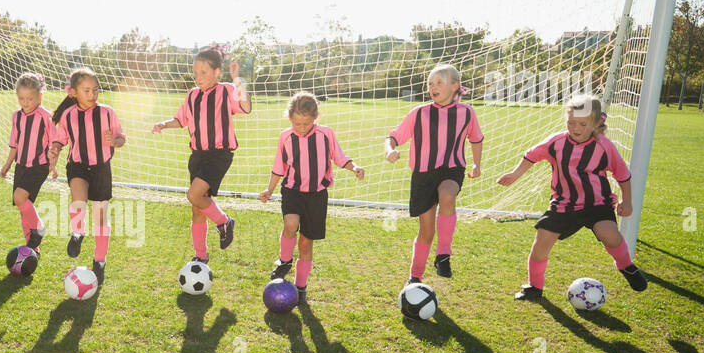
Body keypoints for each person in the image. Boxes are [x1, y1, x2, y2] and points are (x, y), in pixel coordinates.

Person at [497, 93, 648, 300]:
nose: (576, 128)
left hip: (597, 204)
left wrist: (627, 201)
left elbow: (622, 174)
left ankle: (627, 267)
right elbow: (531, 155)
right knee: (541, 242)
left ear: (596, 123)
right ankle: (534, 287)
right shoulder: (557, 142)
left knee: (611, 235)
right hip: (564, 203)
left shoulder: (604, 146)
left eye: (583, 124)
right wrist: (514, 174)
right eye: (571, 123)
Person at [259, 92, 364, 304]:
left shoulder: (326, 134)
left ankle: (301, 287)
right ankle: (285, 261)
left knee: (306, 242)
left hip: (317, 195)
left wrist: (355, 167)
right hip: (292, 190)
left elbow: (339, 157)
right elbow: (280, 166)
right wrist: (269, 190)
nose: (302, 127)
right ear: (290, 118)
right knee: (291, 223)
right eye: (297, 123)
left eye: (307, 123)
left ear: (316, 117)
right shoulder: (285, 137)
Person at [384, 63, 483, 283]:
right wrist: (390, 150)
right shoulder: (419, 113)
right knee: (426, 232)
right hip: (423, 174)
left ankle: (443, 254)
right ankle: (415, 276)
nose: (433, 87)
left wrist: (476, 164)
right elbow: (393, 137)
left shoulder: (466, 112)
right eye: (430, 83)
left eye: (439, 82)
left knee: (448, 196)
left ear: (455, 86)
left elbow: (476, 138)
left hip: (452, 168)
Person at [151, 45, 249, 263]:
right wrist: (164, 124)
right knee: (197, 208)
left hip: (218, 155)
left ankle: (224, 222)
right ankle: (200, 256)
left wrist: (237, 80)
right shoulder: (192, 95)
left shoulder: (225, 91)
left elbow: (246, 107)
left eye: (204, 73)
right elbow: (181, 119)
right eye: (196, 73)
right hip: (197, 156)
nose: (198, 77)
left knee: (194, 195)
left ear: (217, 72)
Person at [46, 68, 125, 288]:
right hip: (78, 165)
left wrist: (115, 141)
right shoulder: (68, 115)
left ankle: (99, 261)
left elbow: (121, 137)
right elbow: (60, 140)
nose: (92, 94)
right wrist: (54, 150)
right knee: (78, 200)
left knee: (100, 218)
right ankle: (78, 232)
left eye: (95, 90)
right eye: (87, 90)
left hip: (101, 168)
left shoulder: (107, 112)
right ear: (74, 92)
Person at [0, 72, 55, 249]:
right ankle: (32, 248)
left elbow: (54, 143)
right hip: (21, 165)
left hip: (39, 166)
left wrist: (53, 165)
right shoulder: (17, 116)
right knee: (23, 210)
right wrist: (7, 164)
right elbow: (14, 143)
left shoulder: (45, 116)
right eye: (21, 98)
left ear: (40, 97)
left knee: (19, 197)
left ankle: (39, 228)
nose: (25, 102)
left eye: (29, 98)